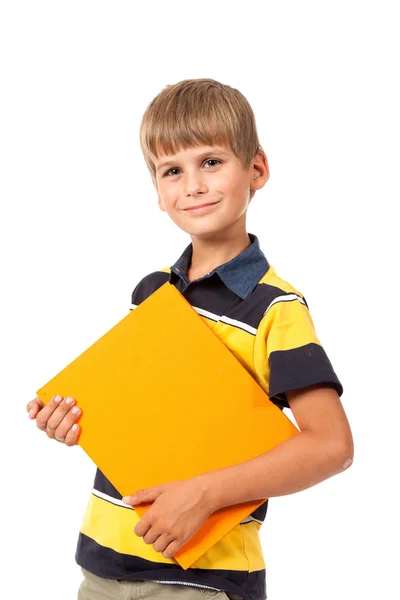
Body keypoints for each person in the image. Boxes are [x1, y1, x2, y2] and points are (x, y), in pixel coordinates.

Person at [26, 78, 354, 600]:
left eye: (211, 162)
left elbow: (332, 446)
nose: (193, 185)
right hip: (103, 563)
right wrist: (75, 421)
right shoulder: (152, 291)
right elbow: (146, 421)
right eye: (172, 171)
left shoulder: (277, 308)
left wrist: (204, 494)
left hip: (203, 579)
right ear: (157, 192)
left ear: (257, 170)